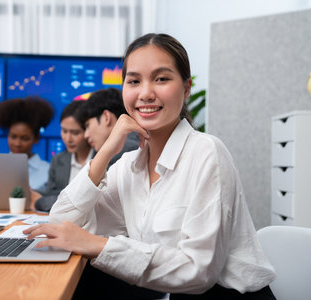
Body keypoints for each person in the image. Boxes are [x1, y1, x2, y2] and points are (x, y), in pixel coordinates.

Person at [24, 33, 276, 299]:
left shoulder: (206, 152)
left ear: (186, 88)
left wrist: (97, 244)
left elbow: (199, 272)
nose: (145, 93)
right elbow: (61, 222)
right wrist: (107, 149)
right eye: (134, 81)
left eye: (161, 79)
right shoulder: (128, 166)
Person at [34, 100, 93, 212]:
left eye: (75, 133)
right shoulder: (58, 160)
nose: (68, 139)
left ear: (88, 131)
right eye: (64, 131)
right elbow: (50, 195)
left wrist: (43, 201)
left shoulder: (103, 157)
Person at [0, 96, 54, 194]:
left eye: (25, 138)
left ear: (36, 138)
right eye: (13, 137)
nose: (17, 144)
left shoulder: (49, 171)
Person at [83, 87, 139, 168]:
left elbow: (89, 181)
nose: (86, 135)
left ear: (106, 117)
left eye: (88, 125)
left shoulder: (123, 152)